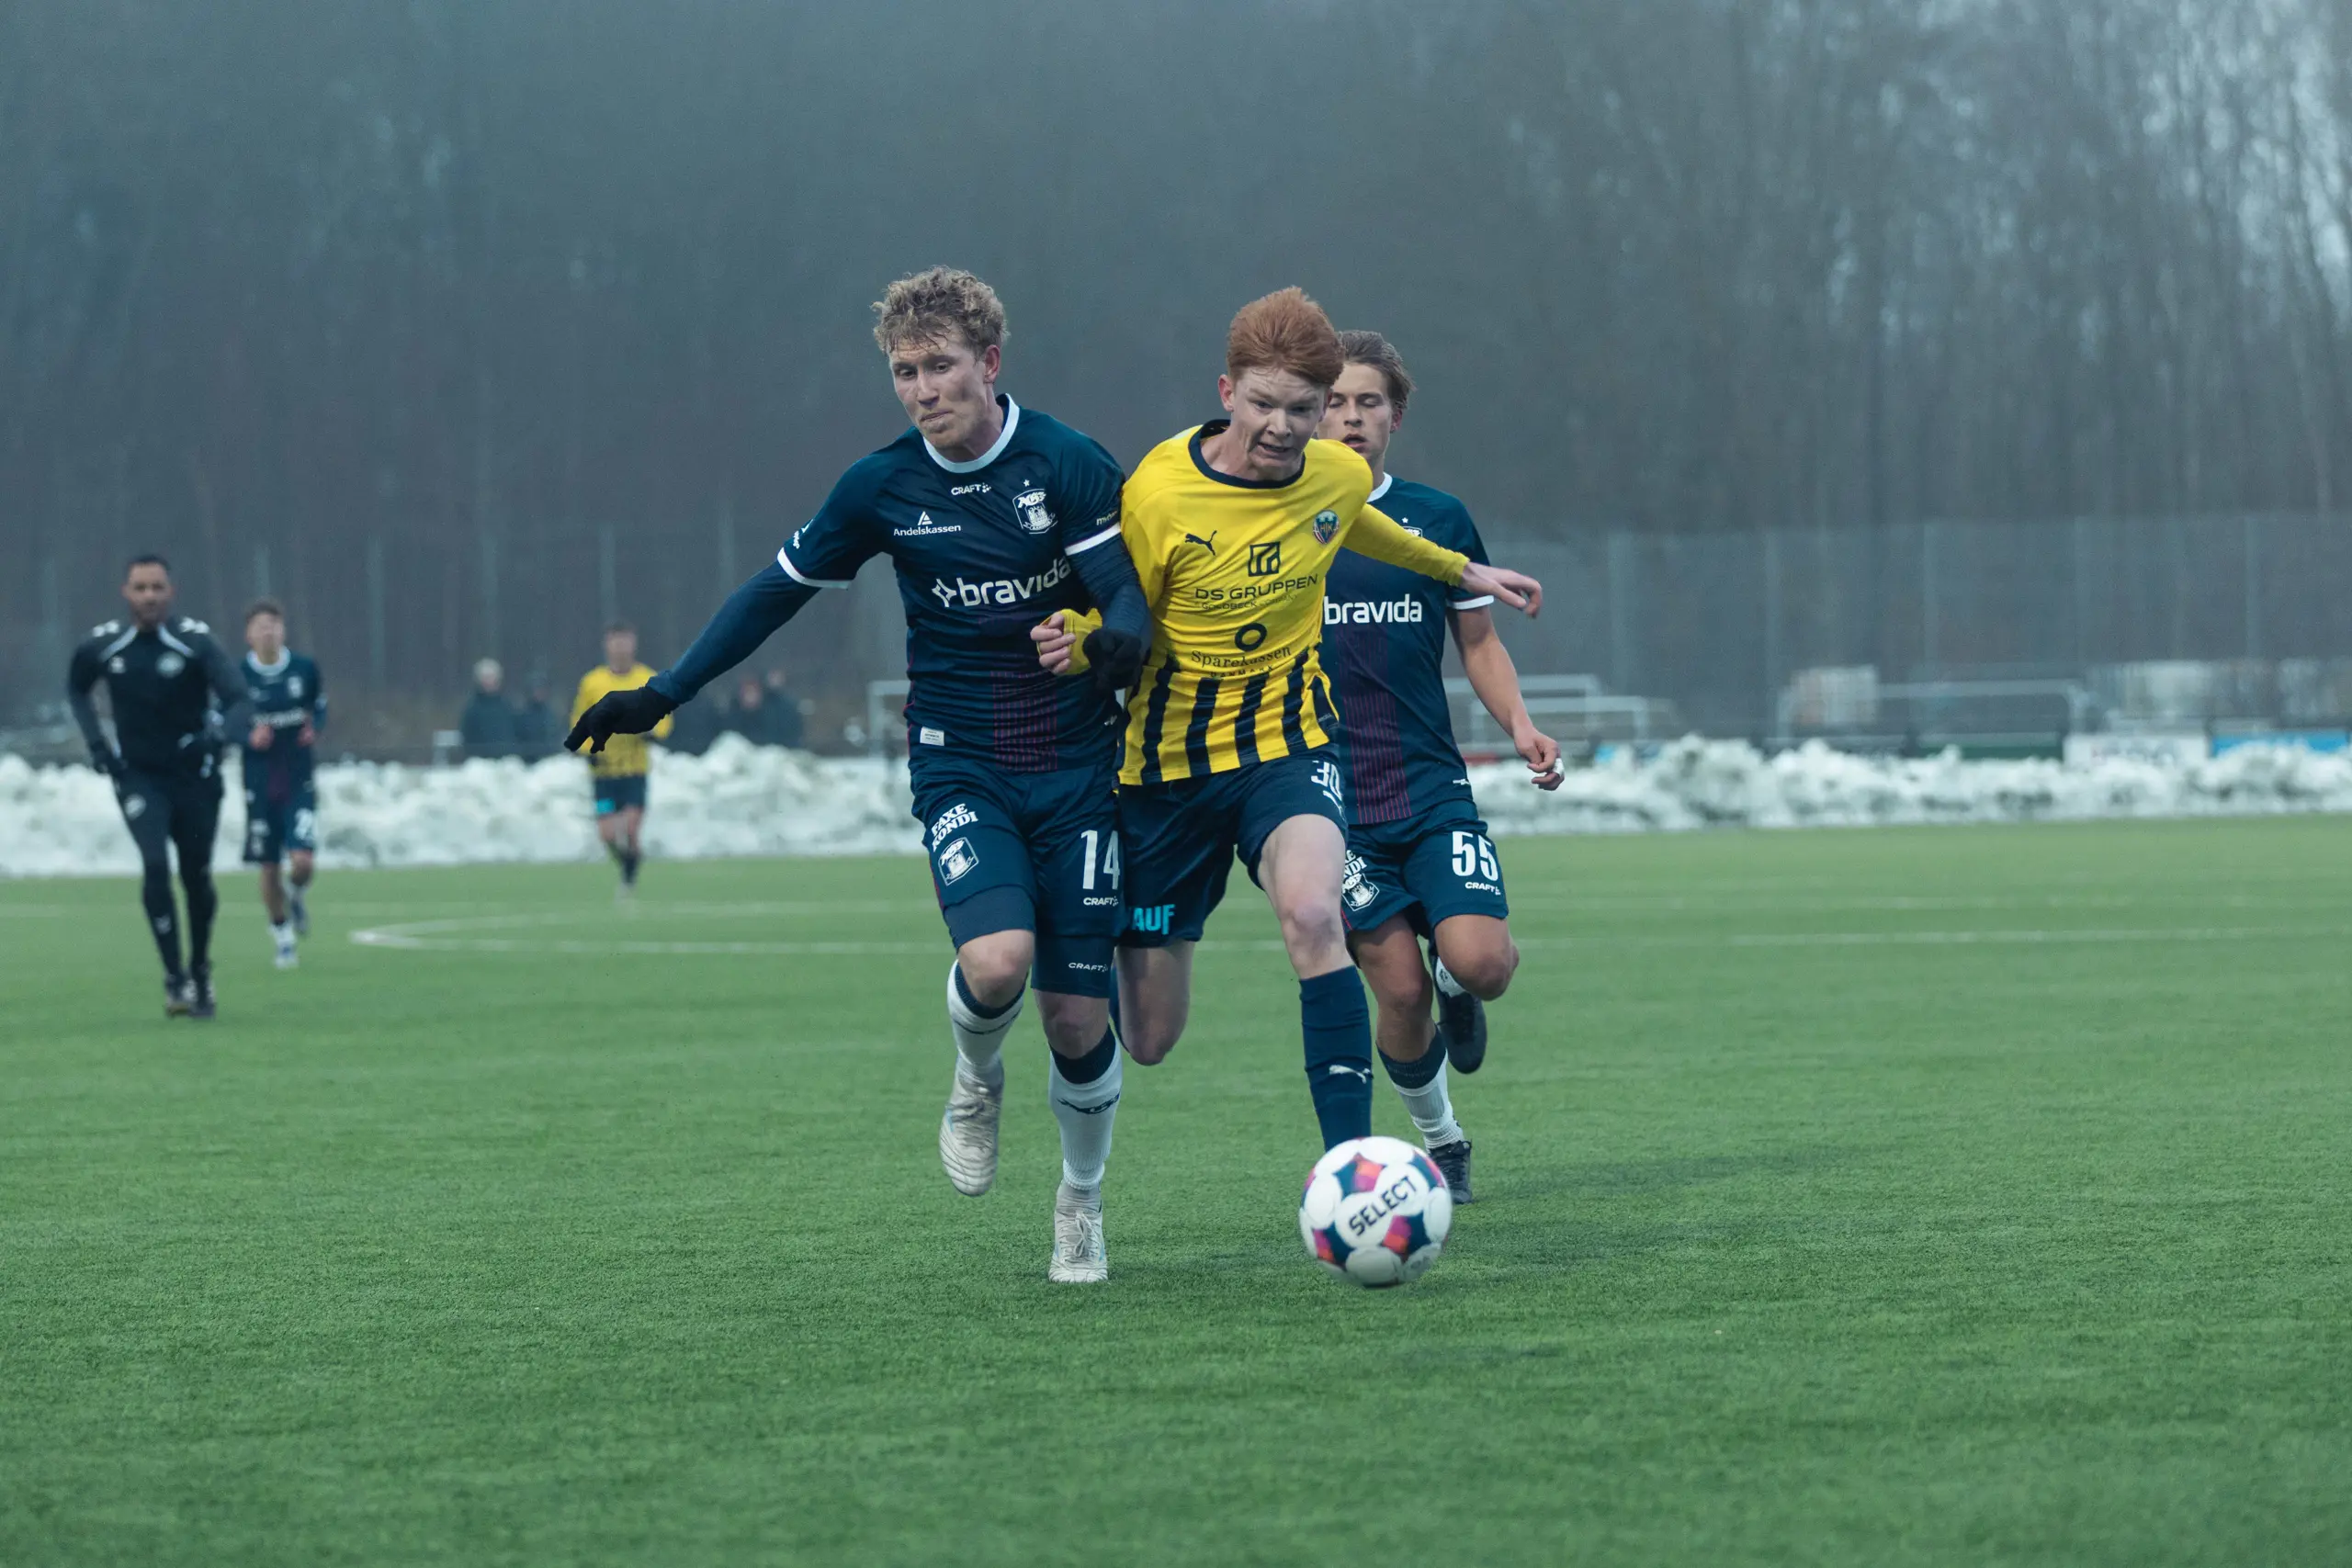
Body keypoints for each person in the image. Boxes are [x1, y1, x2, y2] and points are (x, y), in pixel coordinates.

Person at [569, 266, 1150, 1283]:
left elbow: (1130, 606)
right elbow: (773, 592)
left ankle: (1081, 1201)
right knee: (997, 965)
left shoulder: (1066, 462)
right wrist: (662, 692)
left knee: (1075, 1018)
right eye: (903, 372)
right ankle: (975, 1077)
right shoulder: (881, 485)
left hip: (1077, 765)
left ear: (990, 363)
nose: (922, 390)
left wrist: (1103, 644)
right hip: (961, 761)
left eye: (940, 367)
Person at [1033, 288, 1541, 1157]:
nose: (1282, 427)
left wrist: (1461, 570)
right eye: (1265, 405)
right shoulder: (1160, 490)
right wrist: (1079, 643)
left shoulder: (1334, 472)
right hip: (1166, 772)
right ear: (1226, 391)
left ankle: (1350, 1169)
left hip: (1288, 746)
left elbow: (1360, 524)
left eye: (1303, 410)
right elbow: (1123, 607)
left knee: (1313, 914)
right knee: (1149, 1036)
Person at [1315, 330, 1565, 1201]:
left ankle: (1462, 981)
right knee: (1399, 991)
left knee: (1485, 963)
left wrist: (1521, 725)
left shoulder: (1438, 517)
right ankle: (1442, 1139)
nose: (1351, 418)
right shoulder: (1282, 518)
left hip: (1429, 787)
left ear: (1397, 416)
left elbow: (1479, 641)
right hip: (1329, 805)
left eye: (1369, 402)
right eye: (1335, 402)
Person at [66, 555, 252, 1018]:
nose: (149, 596)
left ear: (172, 592)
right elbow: (76, 688)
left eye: (157, 587)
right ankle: (174, 978)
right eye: (140, 587)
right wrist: (97, 745)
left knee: (196, 877)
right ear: (125, 593)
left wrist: (217, 738)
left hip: (194, 778)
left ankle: (200, 969)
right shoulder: (105, 645)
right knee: (154, 864)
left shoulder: (195, 641)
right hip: (139, 777)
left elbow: (239, 699)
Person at [238, 599, 327, 970]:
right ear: (249, 634)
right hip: (259, 784)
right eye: (261, 626)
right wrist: (247, 736)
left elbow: (319, 706)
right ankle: (283, 938)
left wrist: (314, 727)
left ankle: (296, 892)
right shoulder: (238, 676)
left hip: (297, 780)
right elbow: (222, 720)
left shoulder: (304, 669)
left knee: (302, 861)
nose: (268, 632)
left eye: (274, 625)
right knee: (269, 867)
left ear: (283, 631)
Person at [571, 624, 672, 897]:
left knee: (629, 828)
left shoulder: (647, 678)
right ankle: (629, 863)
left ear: (634, 644)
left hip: (634, 772)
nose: (620, 647)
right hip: (604, 774)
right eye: (615, 641)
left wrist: (654, 733)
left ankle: (630, 872)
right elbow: (580, 719)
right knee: (607, 834)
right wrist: (586, 750)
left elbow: (664, 713)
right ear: (607, 645)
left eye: (625, 641)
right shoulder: (592, 682)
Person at [459, 660, 518, 759]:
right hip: (480, 760)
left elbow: (515, 732)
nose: (489, 681)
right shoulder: (472, 708)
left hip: (506, 758)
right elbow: (467, 735)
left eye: (492, 677)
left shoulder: (507, 706)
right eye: (486, 677)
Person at [512, 672, 560, 760]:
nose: (538, 693)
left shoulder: (551, 715)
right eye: (536, 690)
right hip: (527, 761)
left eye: (541, 690)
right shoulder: (522, 715)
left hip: (548, 761)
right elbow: (518, 740)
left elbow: (555, 739)